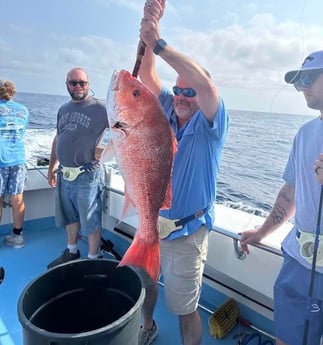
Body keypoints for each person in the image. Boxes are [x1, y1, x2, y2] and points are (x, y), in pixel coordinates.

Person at [137, 1, 229, 344]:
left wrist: (160, 43)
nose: (181, 96)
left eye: (188, 91)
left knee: (185, 307)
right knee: (145, 285)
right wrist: (149, 24)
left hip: (187, 233)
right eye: (177, 89)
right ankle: (148, 327)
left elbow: (206, 86)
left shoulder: (212, 123)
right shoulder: (167, 107)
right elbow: (146, 74)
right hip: (150, 223)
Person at [240, 50, 323, 345]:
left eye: (309, 78)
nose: (302, 87)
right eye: (299, 81)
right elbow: (290, 193)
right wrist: (262, 232)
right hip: (299, 260)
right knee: (286, 339)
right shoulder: (303, 134)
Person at [47, 67, 109, 269]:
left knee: (90, 221)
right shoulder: (63, 109)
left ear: (88, 85)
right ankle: (72, 251)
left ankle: (93, 259)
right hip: (64, 173)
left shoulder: (101, 108)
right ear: (67, 85)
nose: (78, 86)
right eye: (73, 82)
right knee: (70, 216)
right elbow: (58, 138)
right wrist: (51, 168)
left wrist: (105, 152)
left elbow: (125, 130)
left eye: (82, 82)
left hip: (87, 176)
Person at [0, 79, 29, 248]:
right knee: (17, 199)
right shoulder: (23, 110)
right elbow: (21, 132)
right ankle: (18, 237)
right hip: (18, 160)